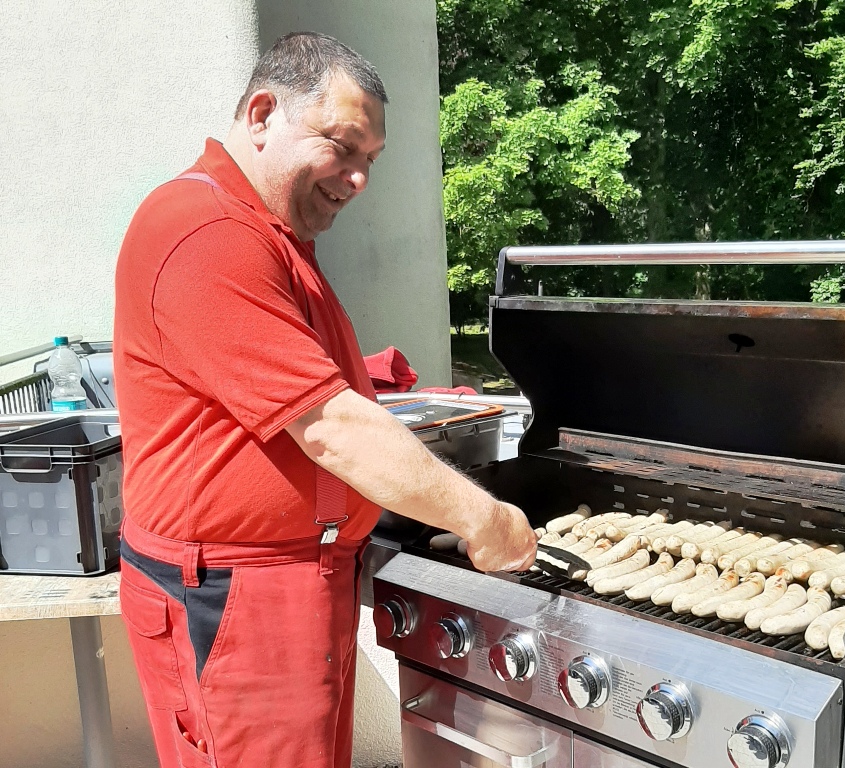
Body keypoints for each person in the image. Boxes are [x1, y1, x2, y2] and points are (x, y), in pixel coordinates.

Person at [112, 31, 537, 768]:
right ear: (263, 113)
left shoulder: (270, 233)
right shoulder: (206, 231)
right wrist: (483, 516)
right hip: (232, 593)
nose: (359, 178)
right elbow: (332, 428)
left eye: (370, 159)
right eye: (343, 146)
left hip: (289, 583)